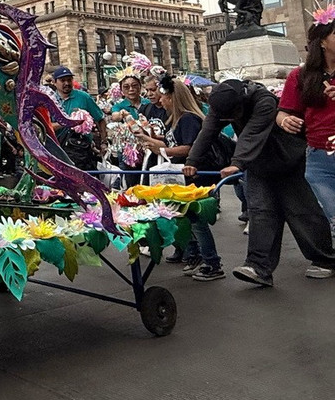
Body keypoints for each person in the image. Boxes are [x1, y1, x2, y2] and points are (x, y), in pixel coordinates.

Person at [185, 80, 335, 286]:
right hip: (258, 164)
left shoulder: (263, 100)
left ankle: (325, 259)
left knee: (302, 211)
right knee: (260, 212)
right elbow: (208, 131)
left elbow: (252, 133)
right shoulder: (221, 104)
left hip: (288, 160)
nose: (228, 119)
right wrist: (192, 161)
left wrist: (237, 163)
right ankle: (258, 267)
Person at [138, 75, 223, 282]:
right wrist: (149, 139)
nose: (161, 100)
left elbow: (189, 147)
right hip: (184, 176)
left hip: (195, 176)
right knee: (188, 219)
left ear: (173, 98)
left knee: (197, 221)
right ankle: (195, 255)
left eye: (164, 97)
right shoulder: (175, 120)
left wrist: (164, 149)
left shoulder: (188, 119)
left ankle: (212, 262)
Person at [277, 15, 335, 234]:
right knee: (333, 218)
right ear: (322, 42)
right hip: (319, 159)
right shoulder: (300, 76)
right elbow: (283, 112)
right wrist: (285, 121)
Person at [51, 65, 106, 171]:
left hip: (81, 150)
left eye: (69, 80)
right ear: (54, 82)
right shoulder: (49, 100)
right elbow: (46, 126)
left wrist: (104, 142)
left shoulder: (84, 97)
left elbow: (100, 119)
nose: (66, 83)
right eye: (62, 80)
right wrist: (67, 122)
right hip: (57, 150)